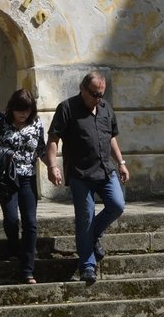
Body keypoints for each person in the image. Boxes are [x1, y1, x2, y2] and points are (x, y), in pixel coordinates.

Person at [45, 72, 129, 285]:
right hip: (80, 173)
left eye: (102, 94)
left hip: (105, 170)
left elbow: (111, 138)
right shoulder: (67, 108)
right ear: (82, 89)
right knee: (85, 219)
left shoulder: (105, 108)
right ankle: (88, 265)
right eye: (94, 94)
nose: (98, 99)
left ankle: (92, 236)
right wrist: (53, 166)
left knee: (117, 205)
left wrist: (121, 163)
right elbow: (53, 138)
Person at [0, 89, 46, 284]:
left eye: (26, 111)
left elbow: (41, 148)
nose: (22, 115)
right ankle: (12, 246)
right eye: (19, 111)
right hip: (6, 178)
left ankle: (27, 270)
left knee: (31, 223)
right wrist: (3, 155)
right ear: (12, 108)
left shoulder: (36, 123)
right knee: (11, 219)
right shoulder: (0, 120)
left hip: (28, 177)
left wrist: (53, 167)